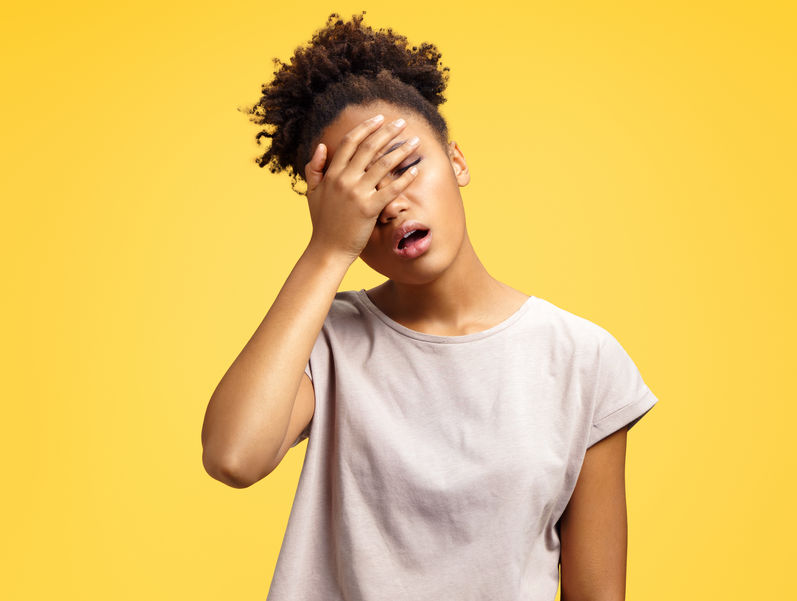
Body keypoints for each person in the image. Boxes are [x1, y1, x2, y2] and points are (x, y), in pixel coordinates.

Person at [201, 11, 659, 601]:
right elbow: (234, 457)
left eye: (403, 165)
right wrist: (327, 248)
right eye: (358, 192)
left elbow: (596, 593)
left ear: (457, 161)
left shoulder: (583, 359)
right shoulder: (325, 339)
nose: (388, 204)